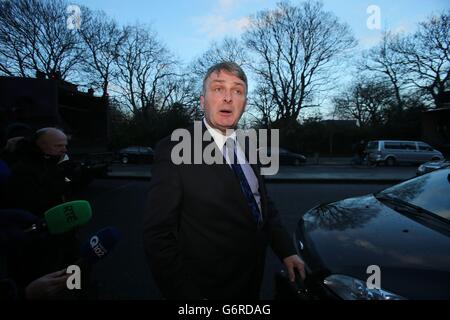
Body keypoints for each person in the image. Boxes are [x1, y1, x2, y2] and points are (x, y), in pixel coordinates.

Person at [143, 61, 305, 300]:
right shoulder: (174, 149)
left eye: (237, 91)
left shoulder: (249, 145)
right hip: (208, 288)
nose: (228, 97)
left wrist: (286, 250)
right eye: (218, 88)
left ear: (244, 104)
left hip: (251, 278)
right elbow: (158, 236)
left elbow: (262, 203)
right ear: (203, 101)